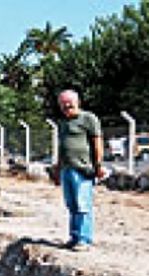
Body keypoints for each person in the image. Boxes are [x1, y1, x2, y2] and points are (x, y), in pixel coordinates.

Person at [52, 89, 105, 252]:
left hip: (83, 169)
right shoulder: (63, 124)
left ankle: (84, 239)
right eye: (63, 104)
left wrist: (98, 165)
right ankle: (74, 236)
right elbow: (62, 148)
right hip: (67, 169)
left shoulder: (88, 119)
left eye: (69, 103)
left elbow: (97, 143)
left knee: (83, 204)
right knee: (72, 205)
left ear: (77, 102)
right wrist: (57, 170)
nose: (67, 106)